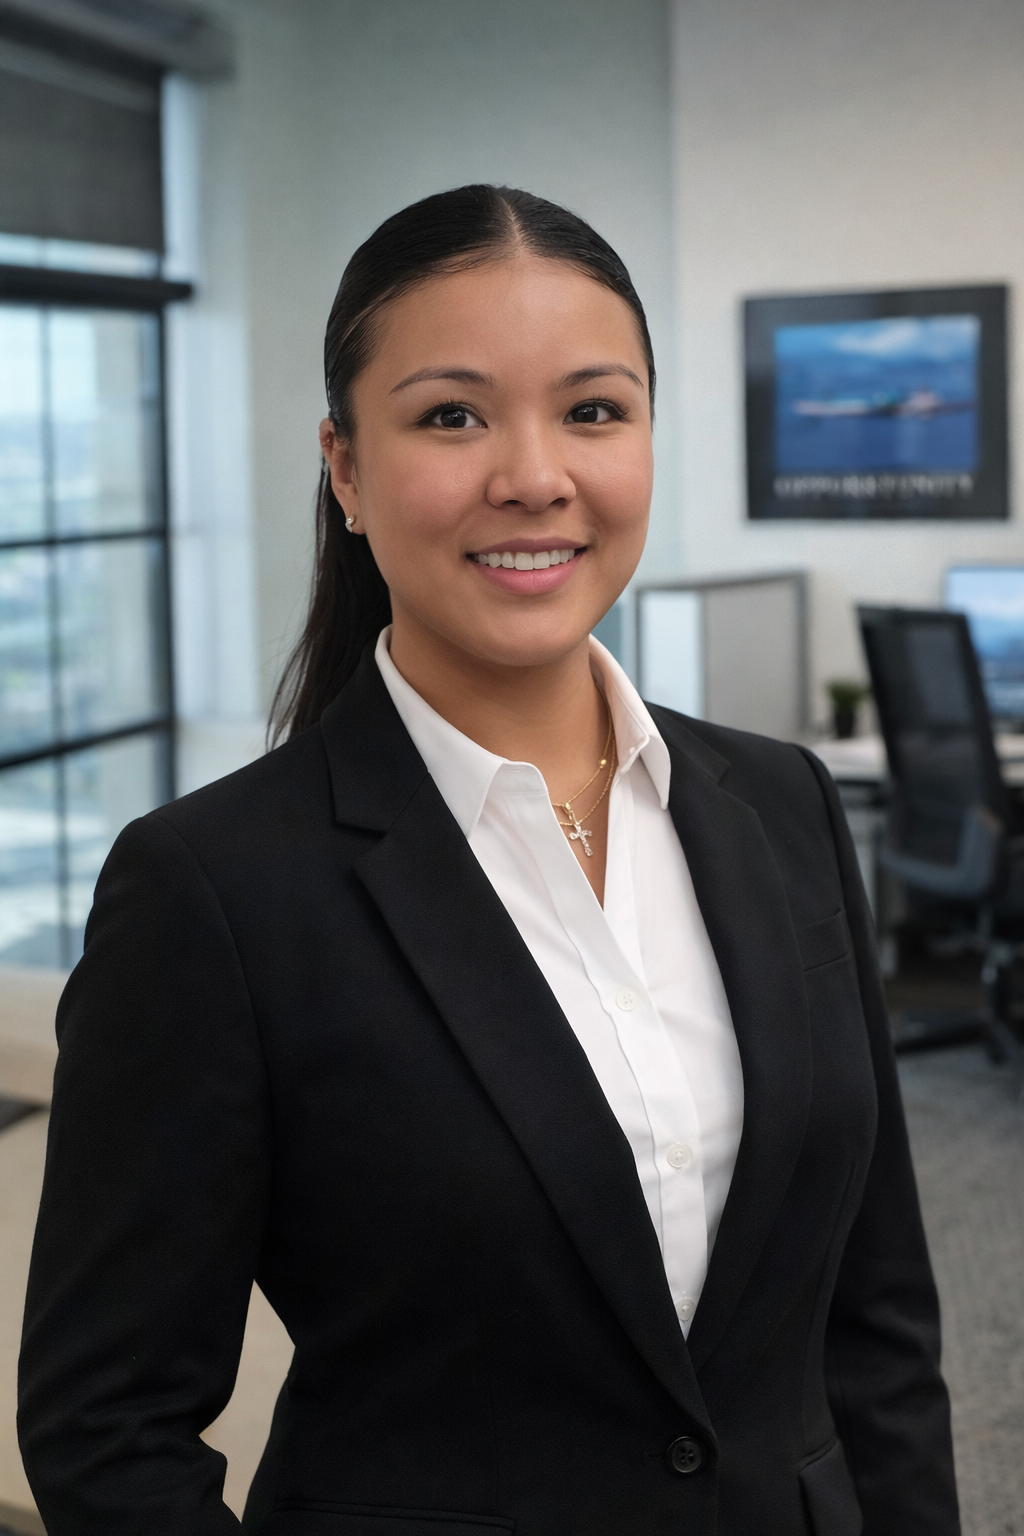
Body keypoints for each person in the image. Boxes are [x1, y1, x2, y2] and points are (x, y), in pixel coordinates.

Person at [18, 185, 959, 1536]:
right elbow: (105, 1428)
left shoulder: (781, 804)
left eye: (593, 409)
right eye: (452, 415)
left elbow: (875, 1326)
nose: (534, 473)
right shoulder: (214, 892)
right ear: (344, 467)